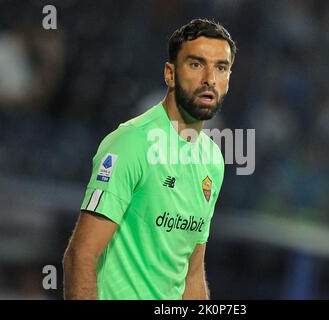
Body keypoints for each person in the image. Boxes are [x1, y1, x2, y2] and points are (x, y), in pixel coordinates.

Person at [63, 18, 236, 300]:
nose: (210, 78)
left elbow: (191, 274)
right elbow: (80, 256)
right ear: (170, 74)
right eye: (196, 64)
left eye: (221, 67)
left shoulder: (213, 160)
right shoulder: (131, 144)